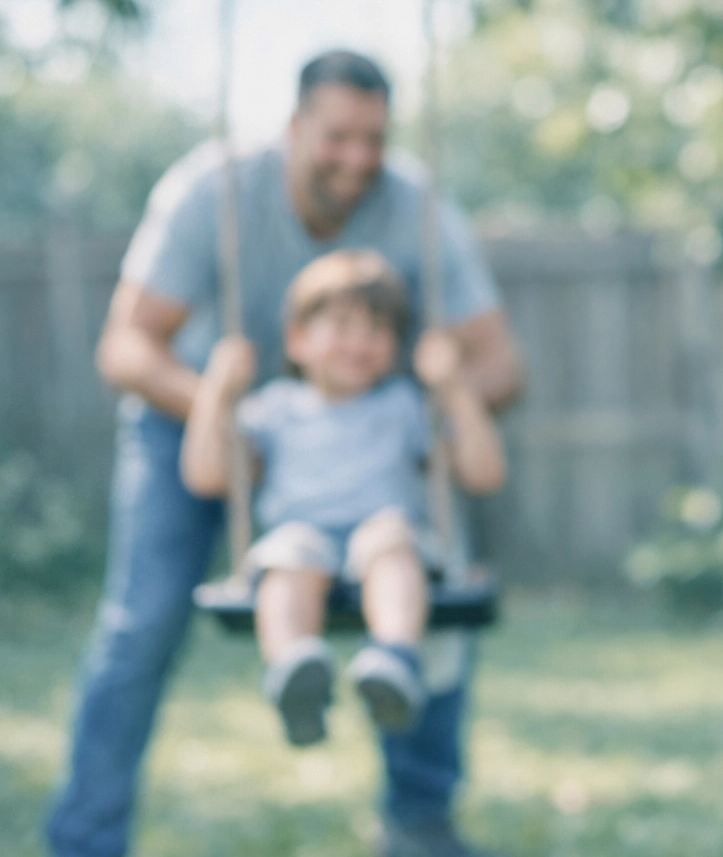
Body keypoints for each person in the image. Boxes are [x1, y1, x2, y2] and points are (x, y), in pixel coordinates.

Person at [47, 50, 522, 857]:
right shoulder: (213, 192)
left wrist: (444, 397)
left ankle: (418, 819)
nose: (359, 159)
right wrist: (223, 410)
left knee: (433, 570)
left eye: (375, 138)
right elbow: (126, 347)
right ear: (294, 128)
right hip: (202, 411)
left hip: (375, 434)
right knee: (144, 619)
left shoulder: (415, 205)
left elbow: (501, 363)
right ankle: (86, 840)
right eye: (338, 137)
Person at [181, 249, 506, 746]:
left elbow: (484, 474)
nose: (359, 341)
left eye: (376, 329)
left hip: (381, 535)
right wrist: (215, 393)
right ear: (297, 339)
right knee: (285, 557)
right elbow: (205, 477)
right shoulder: (274, 408)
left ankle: (393, 660)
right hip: (305, 539)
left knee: (392, 542)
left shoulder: (404, 405)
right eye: (341, 325)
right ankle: (295, 671)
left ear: (396, 344)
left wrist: (454, 385)